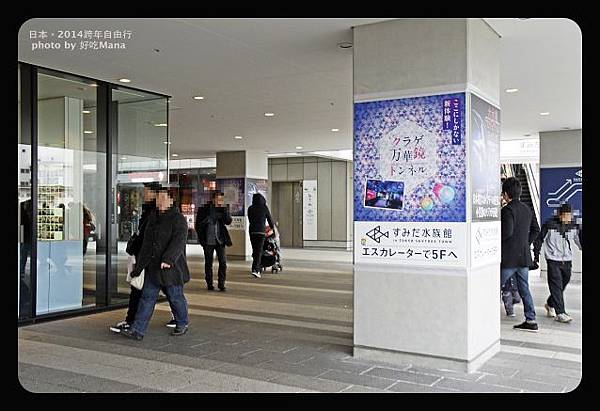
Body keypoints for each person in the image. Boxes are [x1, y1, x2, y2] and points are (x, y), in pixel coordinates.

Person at [121, 187, 190, 341]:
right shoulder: (153, 217)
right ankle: (138, 330)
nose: (160, 201)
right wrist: (139, 266)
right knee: (147, 297)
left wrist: (168, 259)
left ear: (171, 200)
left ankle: (182, 322)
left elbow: (178, 242)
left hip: (170, 269)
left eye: (163, 198)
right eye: (158, 198)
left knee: (175, 297)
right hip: (153, 267)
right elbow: (147, 243)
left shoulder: (178, 219)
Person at [110, 183, 177, 333]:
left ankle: (133, 322)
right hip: (147, 258)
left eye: (147, 192)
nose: (145, 194)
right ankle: (137, 325)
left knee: (143, 290)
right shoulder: (150, 211)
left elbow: (149, 238)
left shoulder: (157, 213)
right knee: (149, 291)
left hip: (150, 259)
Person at [501, 177, 540, 332]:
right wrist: (526, 242)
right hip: (524, 258)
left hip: (509, 258)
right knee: (525, 289)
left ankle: (484, 316)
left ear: (506, 194)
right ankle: (531, 320)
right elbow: (536, 230)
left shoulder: (507, 210)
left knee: (493, 285)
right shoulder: (526, 209)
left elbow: (507, 232)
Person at [533, 203, 582, 323]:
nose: (567, 218)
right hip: (553, 260)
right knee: (556, 286)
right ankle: (561, 313)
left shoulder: (573, 226)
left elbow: (578, 241)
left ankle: (550, 304)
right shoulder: (549, 225)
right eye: (565, 216)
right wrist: (536, 255)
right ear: (560, 215)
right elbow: (539, 239)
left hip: (567, 260)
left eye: (569, 216)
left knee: (562, 285)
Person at [195, 191, 232, 291]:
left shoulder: (223, 209)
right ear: (213, 199)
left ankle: (221, 283)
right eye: (218, 199)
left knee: (223, 262)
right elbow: (198, 225)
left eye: (221, 199)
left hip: (220, 240)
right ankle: (209, 283)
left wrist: (224, 211)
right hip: (208, 240)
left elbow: (228, 221)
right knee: (208, 263)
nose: (220, 201)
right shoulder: (204, 209)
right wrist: (202, 240)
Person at [247, 193, 275, 278]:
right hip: (261, 231)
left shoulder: (250, 208)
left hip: (252, 231)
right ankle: (256, 269)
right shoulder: (264, 208)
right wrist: (272, 228)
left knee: (255, 250)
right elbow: (270, 219)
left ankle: (255, 267)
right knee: (259, 251)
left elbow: (250, 219)